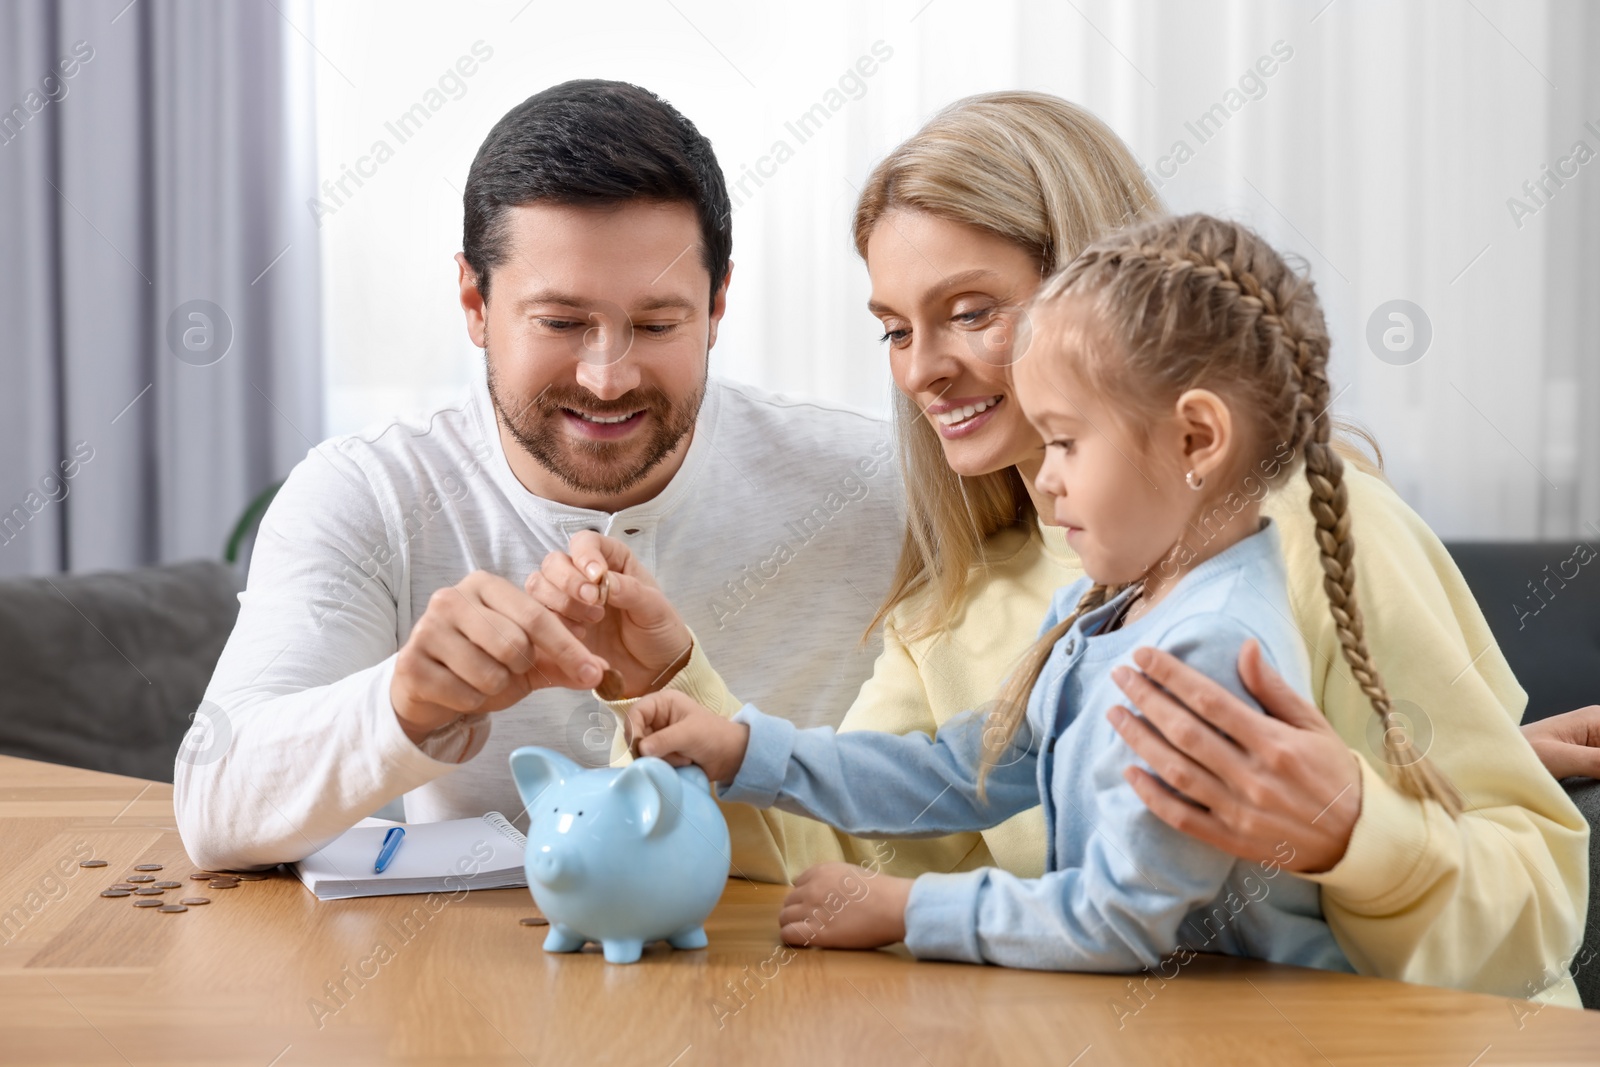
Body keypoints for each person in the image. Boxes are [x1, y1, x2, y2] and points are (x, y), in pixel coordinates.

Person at [530, 93, 1587, 1004]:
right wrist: (674, 682)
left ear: (1101, 287)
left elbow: (1536, 909)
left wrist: (1355, 827)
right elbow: (839, 872)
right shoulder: (960, 605)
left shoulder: (1307, 528)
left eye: (971, 311)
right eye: (896, 328)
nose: (923, 370)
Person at [621, 212, 1417, 976]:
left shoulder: (1207, 647)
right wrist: (745, 750)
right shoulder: (1106, 612)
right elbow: (960, 769)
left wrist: (908, 909)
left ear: (1196, 439)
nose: (1045, 474)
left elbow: (1118, 920)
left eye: (1067, 441)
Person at [171, 80, 903, 879]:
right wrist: (404, 704)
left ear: (718, 304)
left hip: (806, 972)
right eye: (560, 323)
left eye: (657, 325)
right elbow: (216, 807)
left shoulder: (880, 485)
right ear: (474, 302)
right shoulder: (370, 495)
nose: (607, 376)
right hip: (480, 985)